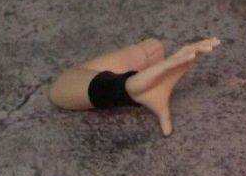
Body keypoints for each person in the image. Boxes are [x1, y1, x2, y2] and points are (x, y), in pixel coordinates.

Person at [47, 36, 220, 136]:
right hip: (144, 55)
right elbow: (63, 87)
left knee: (151, 49)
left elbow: (60, 88)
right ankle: (132, 81)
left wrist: (124, 87)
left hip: (141, 57)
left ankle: (130, 83)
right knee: (152, 49)